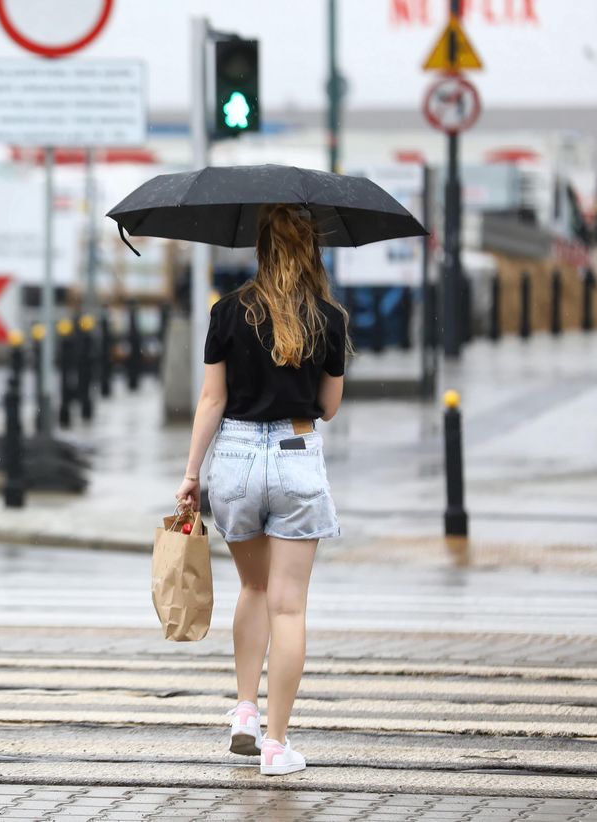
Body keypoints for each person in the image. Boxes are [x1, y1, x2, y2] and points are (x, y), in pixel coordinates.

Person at [175, 204, 349, 776]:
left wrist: (191, 474)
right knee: (288, 606)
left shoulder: (226, 312)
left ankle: (245, 711)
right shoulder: (328, 317)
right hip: (296, 457)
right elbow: (327, 408)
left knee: (251, 587)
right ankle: (276, 746)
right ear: (311, 251)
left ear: (260, 249)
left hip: (235, 460)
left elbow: (212, 400)